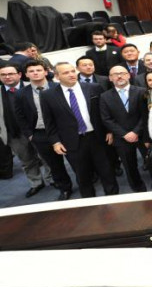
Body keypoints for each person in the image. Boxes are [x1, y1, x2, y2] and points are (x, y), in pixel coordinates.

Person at [41, 62, 119, 197]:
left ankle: (113, 197)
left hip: (98, 137)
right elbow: (49, 122)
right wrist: (55, 142)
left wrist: (109, 131)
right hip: (72, 142)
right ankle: (90, 203)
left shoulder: (94, 88)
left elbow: (104, 113)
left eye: (72, 71)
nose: (71, 74)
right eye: (66, 73)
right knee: (82, 176)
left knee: (107, 171)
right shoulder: (48, 95)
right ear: (57, 76)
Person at [13, 61, 69, 199]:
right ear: (26, 74)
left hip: (64, 130)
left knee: (76, 159)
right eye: (31, 71)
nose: (35, 73)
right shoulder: (21, 94)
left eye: (38, 70)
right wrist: (30, 135)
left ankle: (87, 180)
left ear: (45, 72)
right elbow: (20, 117)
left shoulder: (59, 87)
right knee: (54, 165)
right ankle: (65, 188)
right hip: (40, 134)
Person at [0, 63, 50, 196]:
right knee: (27, 161)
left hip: (36, 131)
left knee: (46, 157)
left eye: (10, 74)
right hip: (14, 135)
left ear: (20, 75)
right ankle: (36, 183)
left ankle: (52, 179)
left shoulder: (32, 88)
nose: (7, 77)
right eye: (3, 75)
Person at [100, 65, 150, 192]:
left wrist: (135, 132)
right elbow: (106, 119)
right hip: (121, 138)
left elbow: (145, 115)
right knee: (130, 166)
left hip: (143, 134)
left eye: (122, 73)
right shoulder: (105, 97)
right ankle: (138, 188)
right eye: (115, 74)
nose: (119, 76)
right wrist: (125, 134)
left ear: (128, 75)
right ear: (110, 78)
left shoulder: (142, 91)